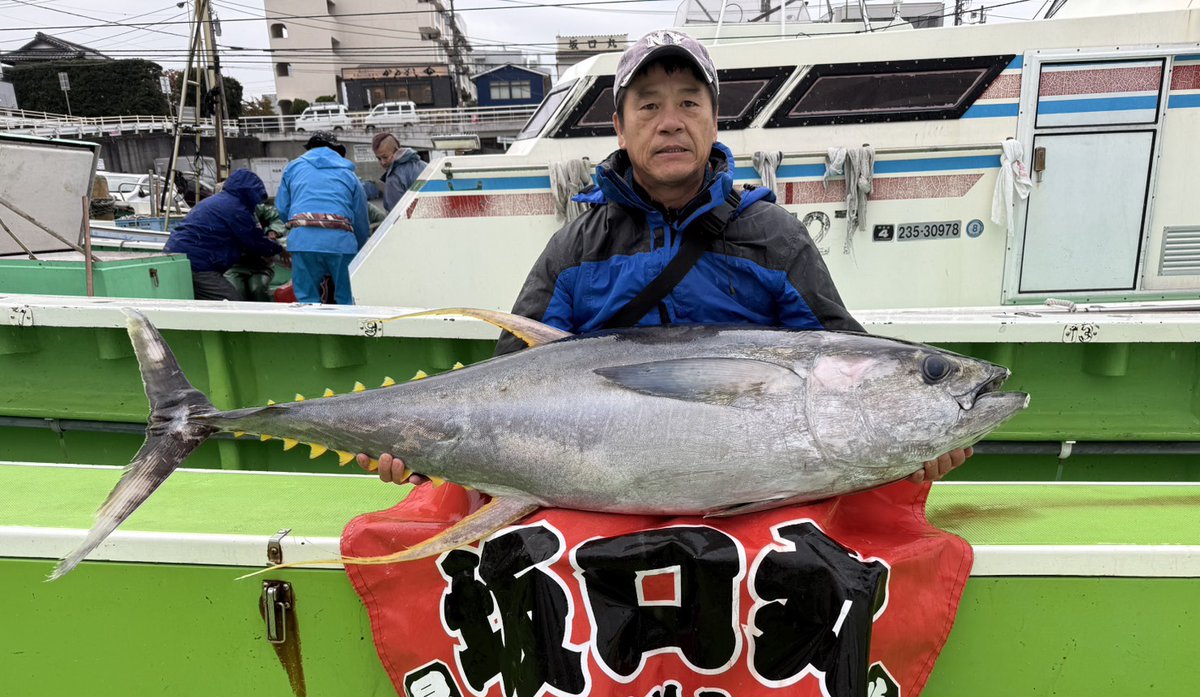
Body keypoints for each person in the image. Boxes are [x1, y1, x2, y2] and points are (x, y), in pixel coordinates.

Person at [363, 30, 970, 484]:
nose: (670, 122)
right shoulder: (577, 246)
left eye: (689, 103)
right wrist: (418, 453)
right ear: (621, 131)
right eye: (649, 106)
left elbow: (842, 363)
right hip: (595, 490)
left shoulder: (774, 238)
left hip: (751, 489)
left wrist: (915, 436)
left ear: (713, 121)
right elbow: (508, 385)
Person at [276, 131, 371, 305]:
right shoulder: (349, 174)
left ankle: (312, 329)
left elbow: (282, 208)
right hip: (341, 242)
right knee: (348, 298)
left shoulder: (293, 168)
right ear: (337, 151)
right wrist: (359, 247)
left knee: (307, 300)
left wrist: (299, 229)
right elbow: (360, 218)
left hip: (303, 241)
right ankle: (346, 330)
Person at [163, 168, 283, 302]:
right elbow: (255, 242)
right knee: (232, 303)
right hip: (199, 264)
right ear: (250, 194)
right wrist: (279, 249)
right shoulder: (237, 209)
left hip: (175, 257)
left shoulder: (214, 201)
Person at [363, 132, 425, 213]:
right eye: (379, 158)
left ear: (396, 150)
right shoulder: (424, 165)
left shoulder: (394, 177)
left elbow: (396, 215)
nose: (382, 162)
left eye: (385, 157)